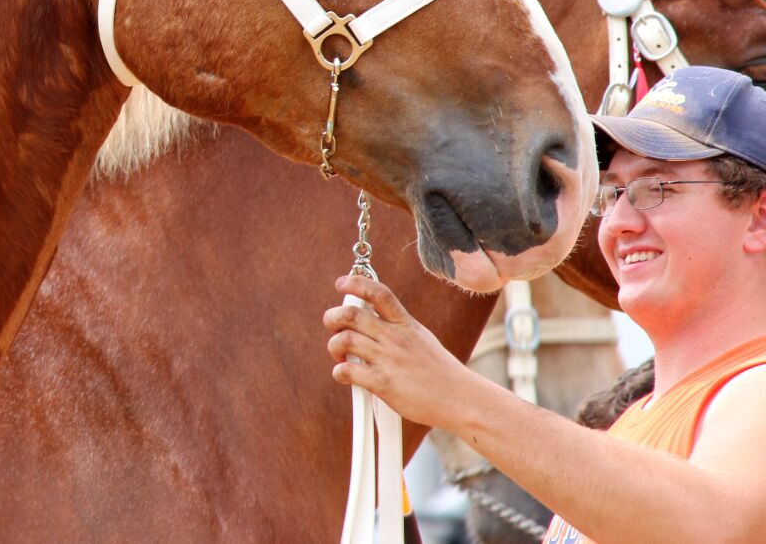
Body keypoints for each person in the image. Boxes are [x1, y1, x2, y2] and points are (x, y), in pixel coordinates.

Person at [325, 65, 766, 544]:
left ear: (758, 218)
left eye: (655, 189)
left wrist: (451, 394)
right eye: (613, 192)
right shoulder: (627, 426)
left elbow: (712, 528)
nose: (617, 222)